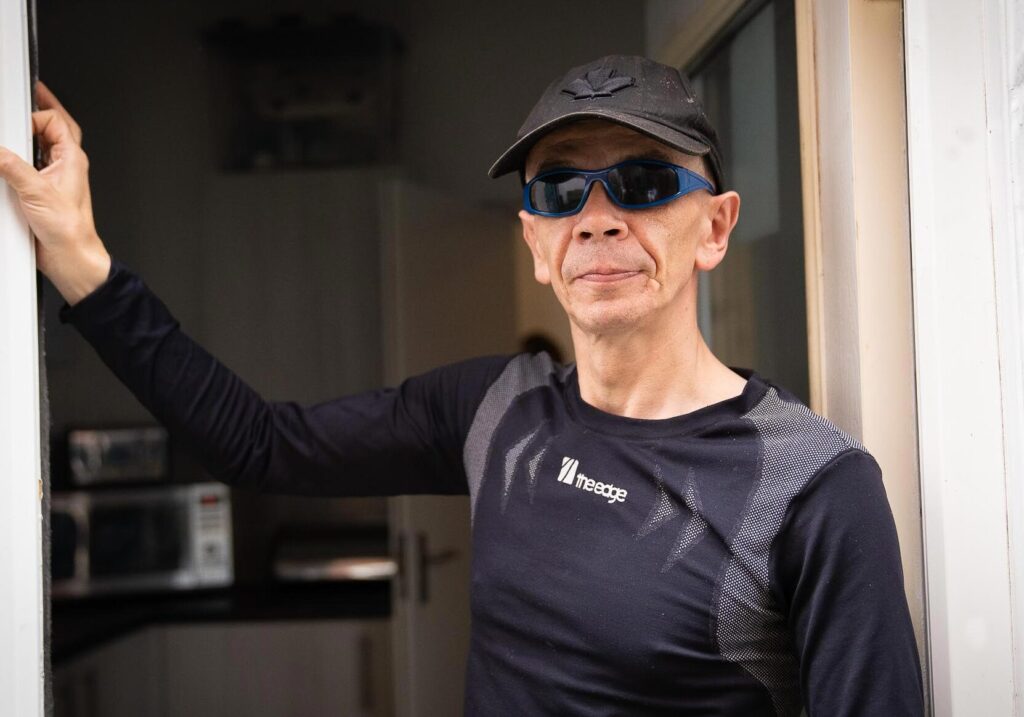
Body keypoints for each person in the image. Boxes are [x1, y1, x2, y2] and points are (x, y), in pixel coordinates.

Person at [0, 55, 923, 715]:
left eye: (643, 182)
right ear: (536, 243)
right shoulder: (497, 410)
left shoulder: (811, 487)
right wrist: (81, 262)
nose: (598, 218)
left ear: (714, 228)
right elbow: (259, 443)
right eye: (560, 191)